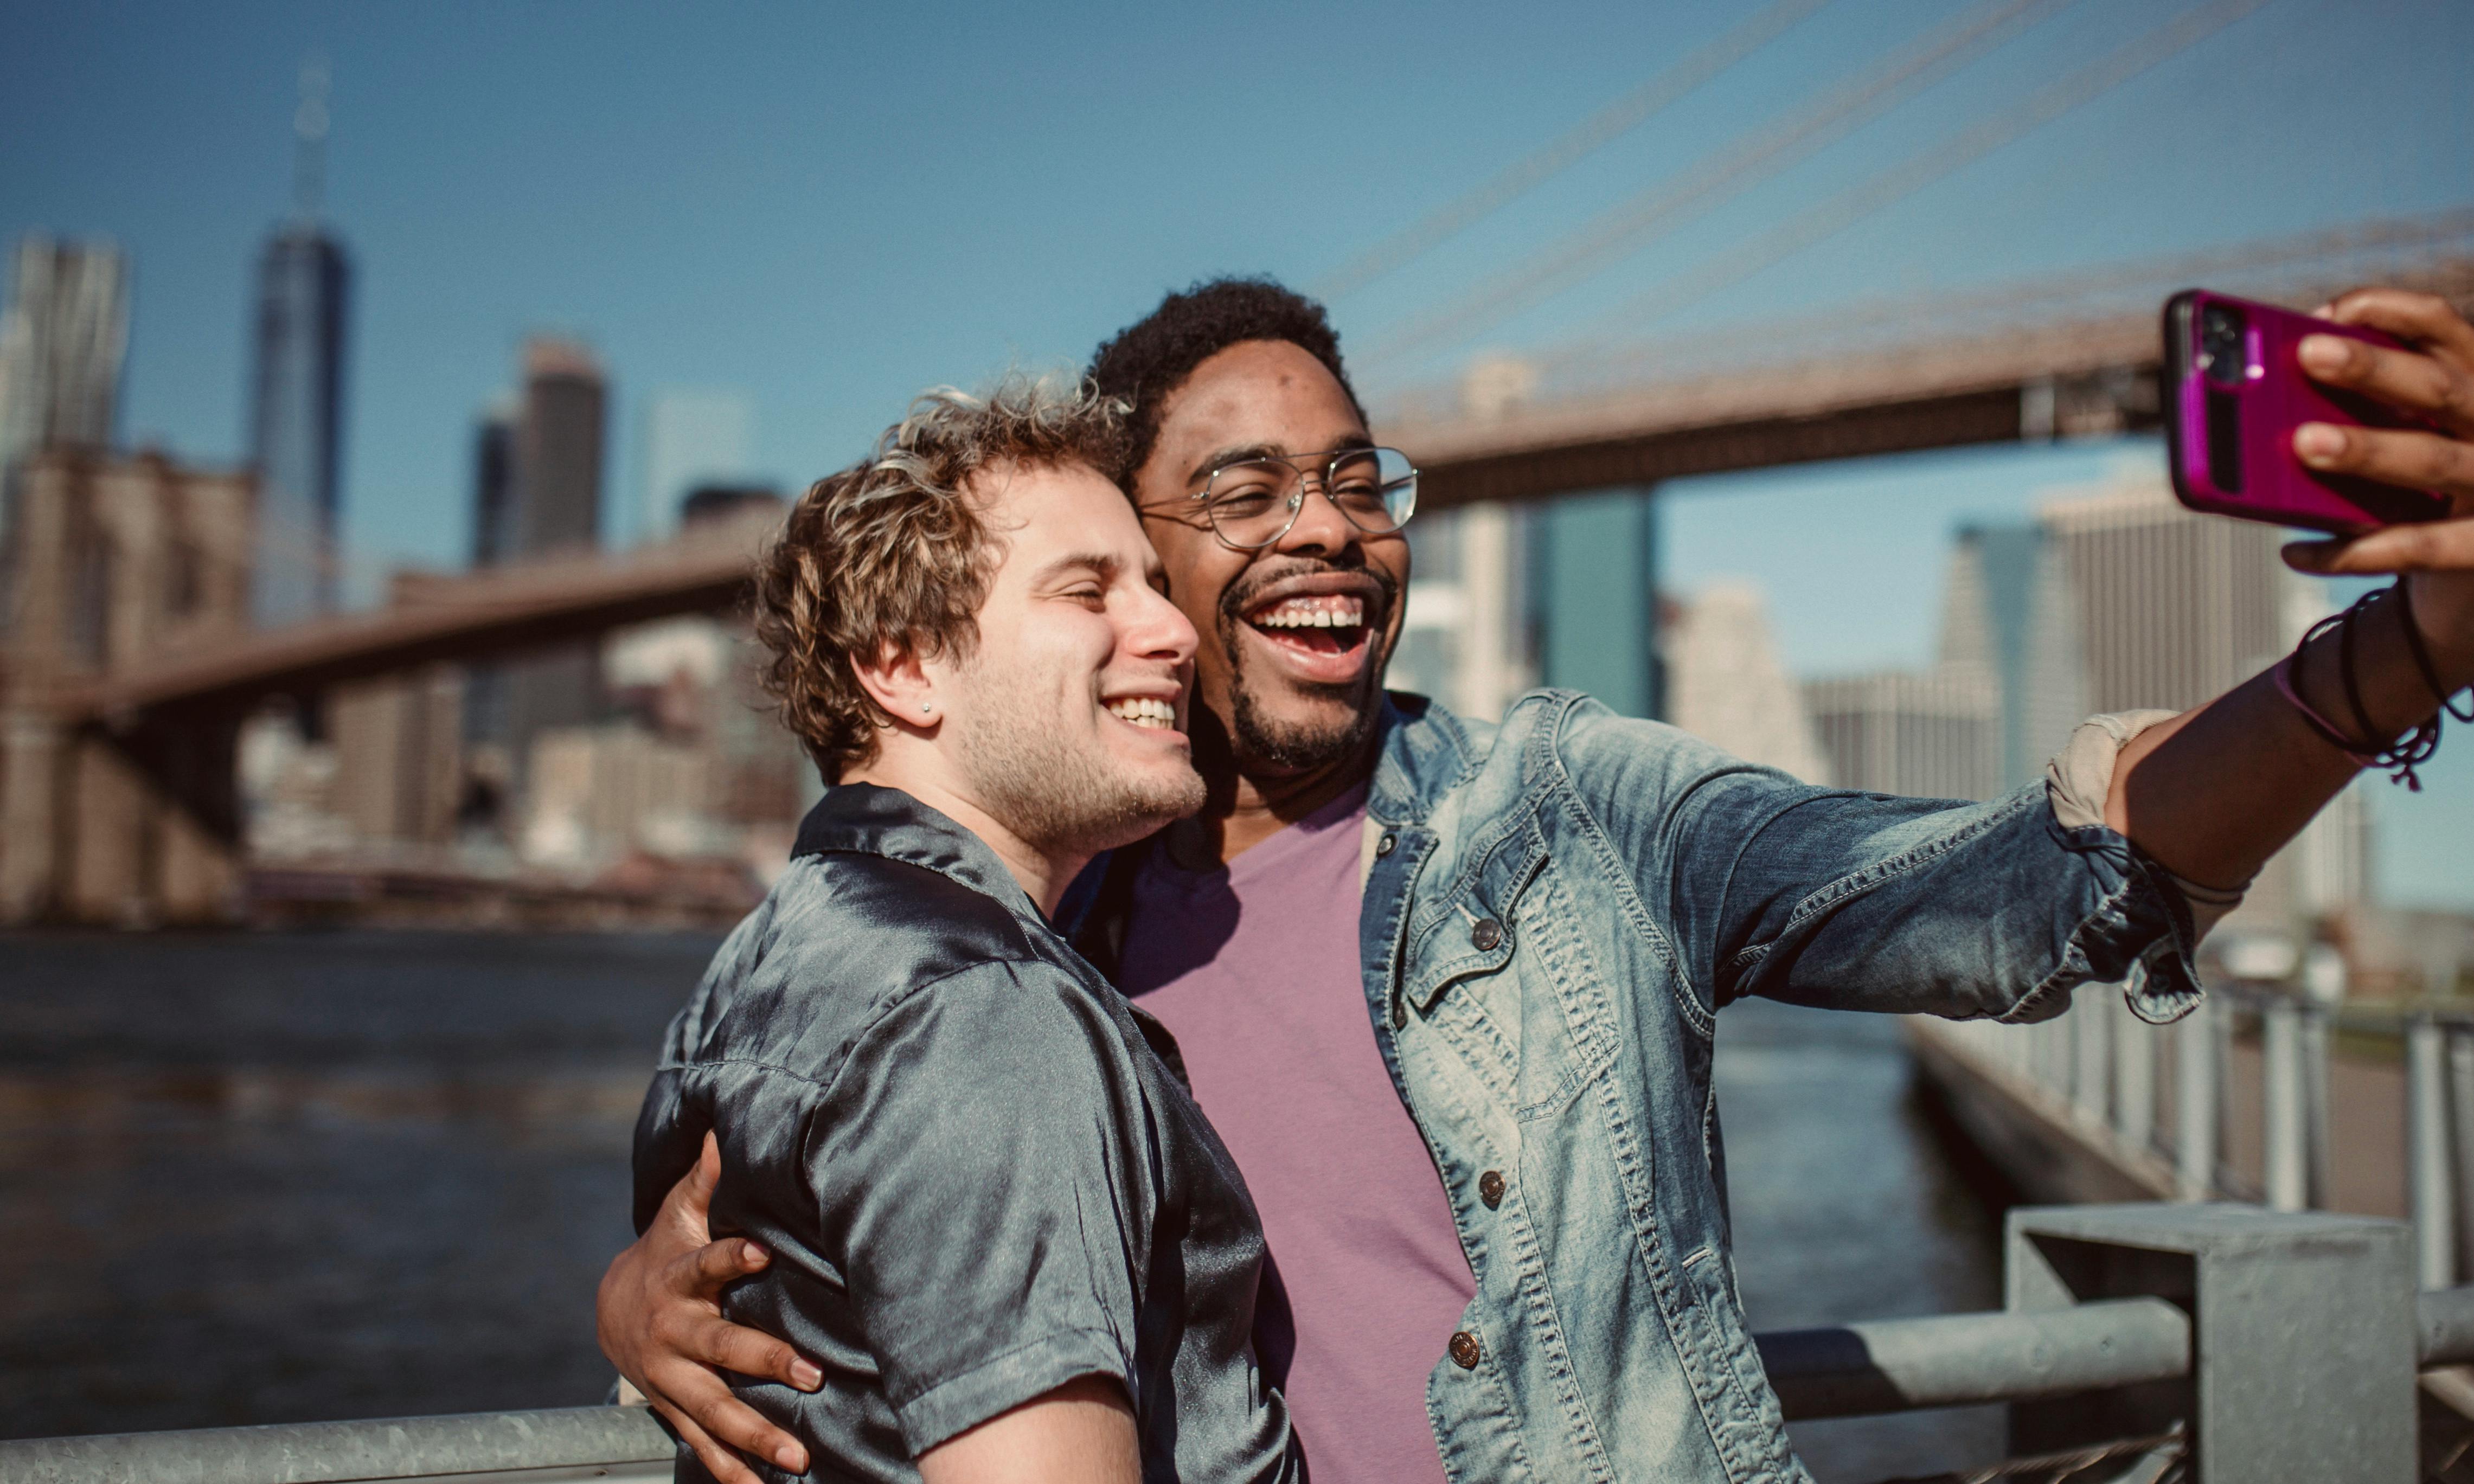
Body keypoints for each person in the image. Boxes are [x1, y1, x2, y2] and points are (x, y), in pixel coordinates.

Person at [604, 283, 2474, 1483]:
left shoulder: (1573, 811)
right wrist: (635, 1301)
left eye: (1357, 476)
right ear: (1140, 562)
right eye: (1245, 492)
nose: (1330, 523)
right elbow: (823, 1201)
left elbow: (2034, 884)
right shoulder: (1031, 917)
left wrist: (2402, 645)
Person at [624, 380, 1302, 1483]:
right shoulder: (979, 1009)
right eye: (1087, 590)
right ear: (903, 663)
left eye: (1157, 587)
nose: (1175, 631)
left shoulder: (766, 961)